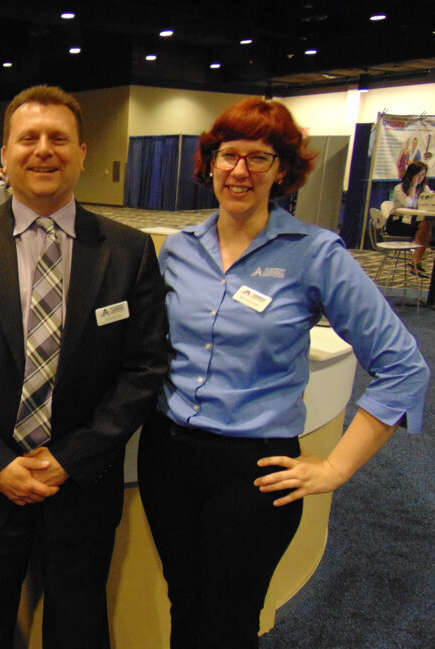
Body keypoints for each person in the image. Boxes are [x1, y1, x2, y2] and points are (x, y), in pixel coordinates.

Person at [138, 97, 429, 649]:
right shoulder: (179, 250)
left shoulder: (315, 254)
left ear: (283, 170)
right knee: (185, 601)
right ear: (210, 163)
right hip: (168, 457)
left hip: (253, 469)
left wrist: (337, 469)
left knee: (230, 619)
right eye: (229, 156)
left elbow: (403, 368)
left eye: (260, 158)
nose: (240, 171)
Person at [0, 85, 168, 649]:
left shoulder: (128, 251)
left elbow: (144, 370)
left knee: (79, 628)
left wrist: (68, 461)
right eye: (27, 138)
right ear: (3, 157)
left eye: (59, 138)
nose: (43, 150)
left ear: (82, 153)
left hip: (82, 484)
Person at [386, 161, 432, 275]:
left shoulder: (424, 189)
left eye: (423, 175)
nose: (421, 178)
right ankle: (416, 262)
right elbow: (409, 203)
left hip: (413, 221)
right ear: (412, 174)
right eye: (419, 175)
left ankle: (416, 262)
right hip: (397, 222)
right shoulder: (399, 188)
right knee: (425, 227)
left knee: (428, 225)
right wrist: (413, 186)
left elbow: (430, 200)